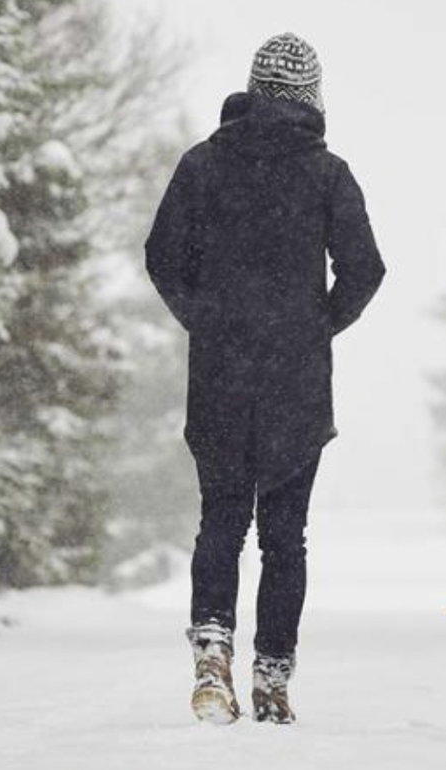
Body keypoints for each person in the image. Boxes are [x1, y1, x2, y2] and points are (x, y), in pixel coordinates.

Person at [144, 32, 385, 725]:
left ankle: (212, 658)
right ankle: (273, 680)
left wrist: (207, 319)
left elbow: (163, 255)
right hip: (296, 383)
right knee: (286, 536)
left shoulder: (203, 164)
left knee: (220, 518)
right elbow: (366, 269)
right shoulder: (328, 174)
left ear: (251, 90)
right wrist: (315, 328)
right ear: (311, 99)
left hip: (219, 375)